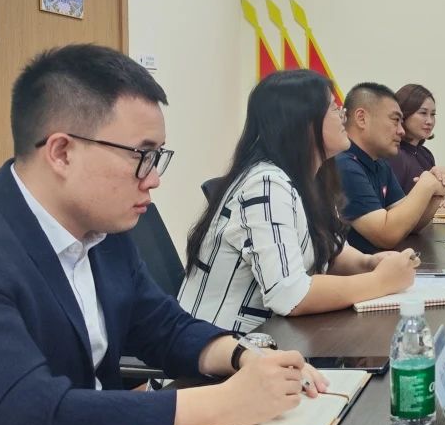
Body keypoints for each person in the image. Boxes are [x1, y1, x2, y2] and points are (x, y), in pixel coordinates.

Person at [0, 45, 323, 425]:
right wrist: (228, 403)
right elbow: (25, 419)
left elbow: (164, 326)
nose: (154, 179)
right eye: (141, 156)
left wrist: (245, 358)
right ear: (62, 152)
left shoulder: (102, 230)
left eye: (158, 157)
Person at [179, 70, 418, 334]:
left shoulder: (311, 179)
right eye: (333, 108)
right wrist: (380, 281)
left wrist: (368, 263)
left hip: (276, 337)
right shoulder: (266, 183)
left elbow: (330, 250)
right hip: (222, 346)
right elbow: (290, 294)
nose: (343, 117)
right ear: (303, 121)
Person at [337, 81, 445, 254]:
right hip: (355, 269)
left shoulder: (379, 162)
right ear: (361, 118)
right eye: (395, 120)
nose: (401, 131)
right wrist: (426, 184)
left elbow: (409, 224)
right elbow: (386, 234)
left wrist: (438, 190)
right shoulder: (344, 165)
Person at [390, 83, 445, 210]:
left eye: (433, 114)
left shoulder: (425, 154)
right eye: (423, 113)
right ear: (403, 115)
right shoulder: (394, 154)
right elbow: (395, 204)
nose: (429, 121)